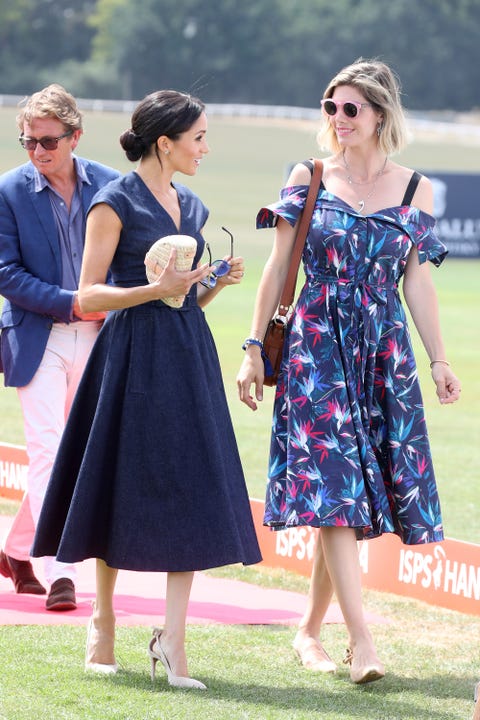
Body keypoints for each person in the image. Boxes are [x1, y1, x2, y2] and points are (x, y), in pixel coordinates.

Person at [237, 58, 461, 684]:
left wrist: (439, 359)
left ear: (380, 115)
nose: (337, 119)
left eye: (350, 109)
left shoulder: (417, 190)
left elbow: (416, 281)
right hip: (315, 349)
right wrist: (253, 347)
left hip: (382, 352)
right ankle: (363, 643)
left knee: (350, 500)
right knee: (336, 493)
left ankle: (308, 631)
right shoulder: (308, 177)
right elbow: (278, 267)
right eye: (329, 107)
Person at [31, 89, 261, 686]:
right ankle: (102, 621)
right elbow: (87, 295)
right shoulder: (113, 202)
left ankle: (173, 644)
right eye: (199, 137)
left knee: (189, 490)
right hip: (129, 356)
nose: (206, 148)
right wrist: (152, 290)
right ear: (167, 142)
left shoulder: (194, 205)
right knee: (119, 486)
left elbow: (186, 297)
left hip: (187, 354)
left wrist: (216, 284)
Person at [0, 84, 120, 611]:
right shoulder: (8, 191)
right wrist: (72, 302)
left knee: (72, 455)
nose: (36, 152)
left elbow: (131, 255)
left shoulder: (113, 185)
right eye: (27, 142)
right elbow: (5, 272)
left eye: (47, 141)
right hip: (35, 336)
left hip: (99, 337)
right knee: (48, 449)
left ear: (75, 137)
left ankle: (15, 551)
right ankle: (63, 571)